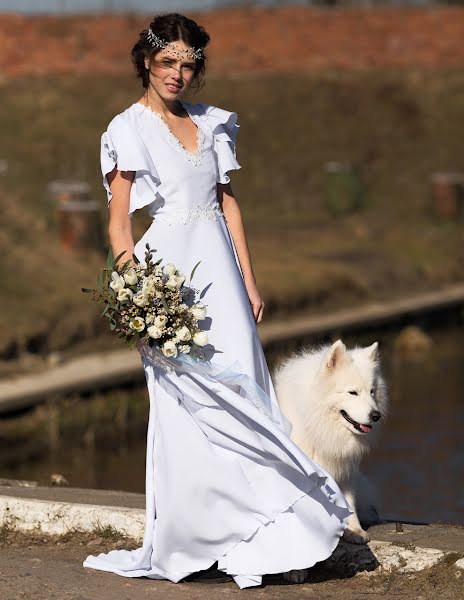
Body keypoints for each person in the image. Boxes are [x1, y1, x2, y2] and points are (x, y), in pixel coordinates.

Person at [83, 12, 352, 590]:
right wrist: (137, 293)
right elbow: (119, 225)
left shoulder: (212, 124)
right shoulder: (127, 127)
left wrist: (249, 280)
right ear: (147, 63)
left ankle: (273, 526)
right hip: (167, 278)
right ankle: (199, 535)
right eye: (167, 62)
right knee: (187, 407)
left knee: (246, 394)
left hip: (222, 278)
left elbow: (228, 205)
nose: (178, 74)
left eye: (188, 64)